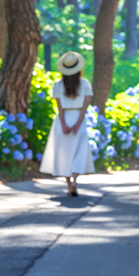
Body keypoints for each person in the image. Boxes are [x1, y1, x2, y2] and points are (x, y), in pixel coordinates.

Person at [39, 51, 95, 196]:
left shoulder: (58, 85)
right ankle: (74, 181)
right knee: (78, 152)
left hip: (63, 119)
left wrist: (63, 124)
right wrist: (78, 123)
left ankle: (69, 183)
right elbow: (85, 105)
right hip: (78, 118)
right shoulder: (85, 84)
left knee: (63, 153)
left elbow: (59, 107)